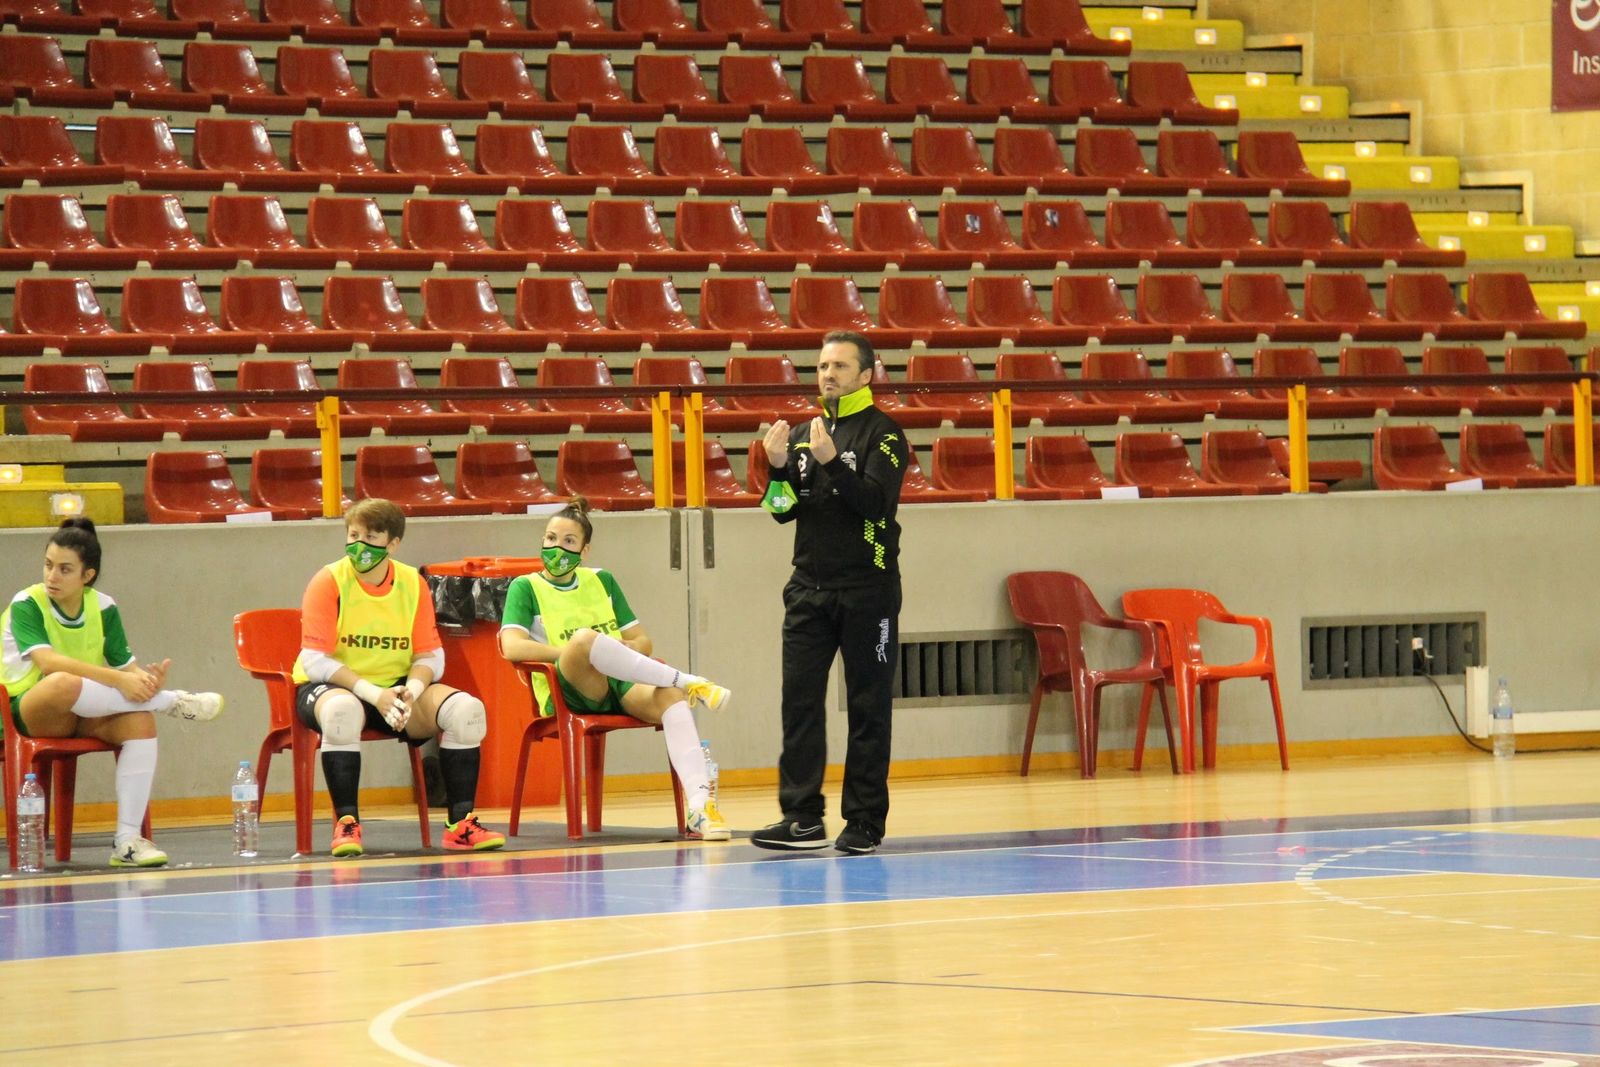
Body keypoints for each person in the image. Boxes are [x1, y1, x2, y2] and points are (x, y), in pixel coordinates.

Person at [751, 330, 908, 855]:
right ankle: (801, 817)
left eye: (839, 366)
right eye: (821, 366)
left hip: (869, 590)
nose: (828, 374)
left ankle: (864, 821)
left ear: (866, 375)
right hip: (807, 591)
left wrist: (833, 461)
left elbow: (873, 504)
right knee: (799, 704)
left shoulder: (884, 435)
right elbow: (780, 511)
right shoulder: (803, 433)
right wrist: (775, 470)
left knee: (868, 706)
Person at [497, 496, 733, 841]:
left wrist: (623, 650)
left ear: (585, 551)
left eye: (568, 541)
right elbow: (511, 647)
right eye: (550, 538)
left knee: (670, 695)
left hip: (620, 683)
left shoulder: (603, 580)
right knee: (583, 640)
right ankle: (690, 679)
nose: (556, 547)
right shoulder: (526, 587)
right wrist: (578, 651)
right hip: (570, 689)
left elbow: (642, 641)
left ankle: (700, 809)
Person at [1, 518, 223, 868]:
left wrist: (147, 682)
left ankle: (127, 840)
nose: (51, 576)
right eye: (48, 565)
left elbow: (126, 670)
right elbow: (47, 663)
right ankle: (172, 703)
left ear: (87, 576)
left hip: (83, 712)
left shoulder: (103, 606)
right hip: (28, 712)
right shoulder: (26, 603)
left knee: (139, 722)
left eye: (64, 569)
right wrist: (119, 681)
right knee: (62, 680)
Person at [293, 498, 505, 857]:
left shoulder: (412, 582)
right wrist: (373, 694)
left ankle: (461, 824)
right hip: (332, 689)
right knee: (342, 712)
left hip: (396, 692)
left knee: (467, 711)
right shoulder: (328, 581)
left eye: (370, 536)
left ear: (393, 544)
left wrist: (412, 690)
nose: (359, 544)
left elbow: (430, 655)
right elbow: (314, 661)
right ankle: (347, 825)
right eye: (353, 534)